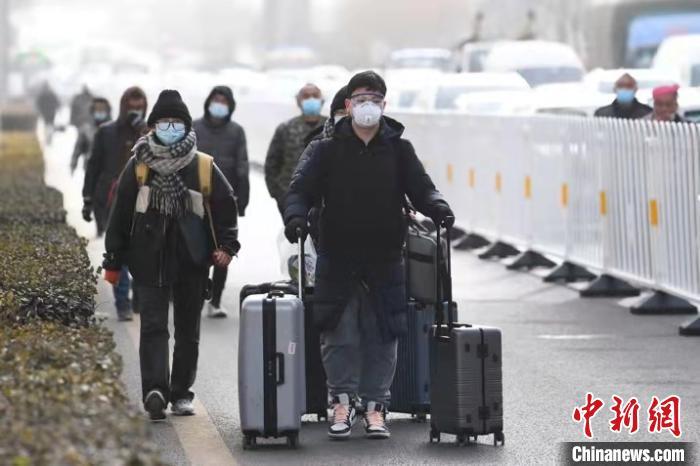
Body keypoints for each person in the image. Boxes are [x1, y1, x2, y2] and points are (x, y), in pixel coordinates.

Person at [283, 71, 454, 440]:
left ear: (384, 105)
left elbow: (422, 188)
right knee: (338, 332)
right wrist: (295, 218)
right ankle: (341, 403)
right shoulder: (326, 150)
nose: (368, 105)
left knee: (383, 334)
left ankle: (376, 407)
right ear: (348, 105)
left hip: (385, 256)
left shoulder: (398, 149)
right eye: (361, 98)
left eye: (375, 98)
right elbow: (300, 190)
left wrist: (438, 207)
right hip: (338, 255)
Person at [103, 90, 240, 421]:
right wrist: (113, 261)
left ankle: (181, 392)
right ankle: (155, 390)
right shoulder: (138, 167)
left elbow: (226, 208)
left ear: (186, 126)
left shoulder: (203, 166)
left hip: (192, 261)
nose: (170, 127)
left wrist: (226, 246)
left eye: (176, 122)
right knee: (152, 326)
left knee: (188, 331)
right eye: (164, 122)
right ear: (152, 127)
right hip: (148, 260)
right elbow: (120, 215)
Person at [83, 86, 148, 321]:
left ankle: (140, 296)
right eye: (131, 107)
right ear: (122, 106)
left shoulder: (150, 132)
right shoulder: (107, 132)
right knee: (118, 251)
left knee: (143, 252)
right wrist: (88, 199)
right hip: (112, 200)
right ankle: (123, 302)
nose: (135, 111)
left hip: (144, 202)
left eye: (139, 107)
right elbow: (93, 166)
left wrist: (145, 130)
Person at [193, 85, 249, 318]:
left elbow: (242, 166)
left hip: (225, 202)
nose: (219, 105)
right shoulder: (194, 128)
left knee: (223, 249)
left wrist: (242, 200)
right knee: (195, 248)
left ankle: (215, 300)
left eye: (224, 101)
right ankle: (194, 294)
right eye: (216, 100)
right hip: (195, 200)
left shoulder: (236, 132)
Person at [265, 83, 327, 216]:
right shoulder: (286, 128)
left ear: (322, 100)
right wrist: (279, 195)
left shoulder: (331, 127)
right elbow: (271, 165)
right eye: (306, 96)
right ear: (298, 101)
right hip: (290, 199)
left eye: (315, 96)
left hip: (324, 200)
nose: (311, 99)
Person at [70, 97, 111, 175]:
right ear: (93, 111)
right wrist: (73, 164)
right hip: (90, 168)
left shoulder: (114, 129)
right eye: (98, 110)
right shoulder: (86, 130)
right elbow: (78, 148)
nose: (100, 112)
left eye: (102, 110)